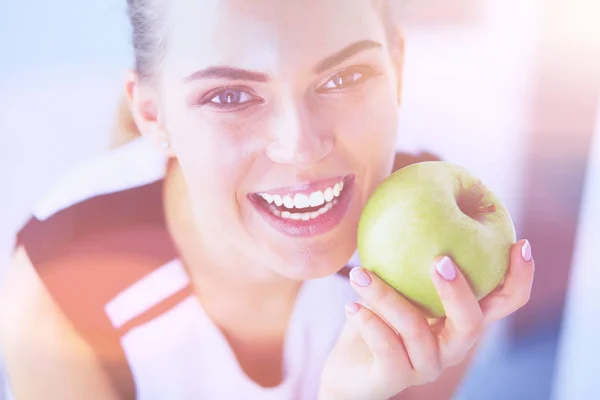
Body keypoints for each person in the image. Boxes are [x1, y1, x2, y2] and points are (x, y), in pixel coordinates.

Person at [0, 1, 536, 399]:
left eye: (345, 76)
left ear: (396, 67)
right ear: (152, 117)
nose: (302, 148)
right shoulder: (60, 285)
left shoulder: (437, 249)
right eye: (230, 96)